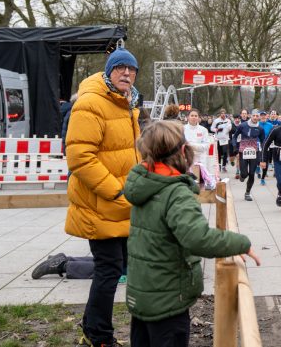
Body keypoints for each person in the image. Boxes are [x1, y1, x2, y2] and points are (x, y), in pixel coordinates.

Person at [123, 120, 260, 346]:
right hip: (168, 300)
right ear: (183, 151)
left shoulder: (145, 182)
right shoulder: (175, 192)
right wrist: (240, 242)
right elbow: (198, 238)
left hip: (144, 296)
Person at [65, 47, 141, 347]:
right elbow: (80, 157)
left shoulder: (127, 103)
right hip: (101, 204)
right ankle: (99, 337)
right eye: (120, 68)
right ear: (108, 72)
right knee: (109, 270)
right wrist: (116, 190)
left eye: (132, 69)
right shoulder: (91, 103)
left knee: (115, 267)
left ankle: (92, 329)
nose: (127, 73)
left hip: (123, 206)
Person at [231, 110, 266, 201]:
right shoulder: (243, 126)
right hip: (243, 151)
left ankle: (247, 193)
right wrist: (235, 146)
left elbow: (263, 141)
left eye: (256, 116)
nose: (255, 117)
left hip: (254, 151)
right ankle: (242, 176)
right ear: (250, 116)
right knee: (244, 173)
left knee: (251, 174)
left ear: (258, 117)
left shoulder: (260, 128)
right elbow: (234, 137)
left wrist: (262, 152)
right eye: (253, 115)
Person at [258, 111, 273, 186]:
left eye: (264, 115)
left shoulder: (270, 125)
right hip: (257, 144)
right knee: (258, 160)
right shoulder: (257, 124)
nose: (263, 117)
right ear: (259, 117)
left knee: (265, 162)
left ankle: (263, 178)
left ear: (266, 116)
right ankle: (257, 167)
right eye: (261, 115)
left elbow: (273, 134)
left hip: (267, 145)